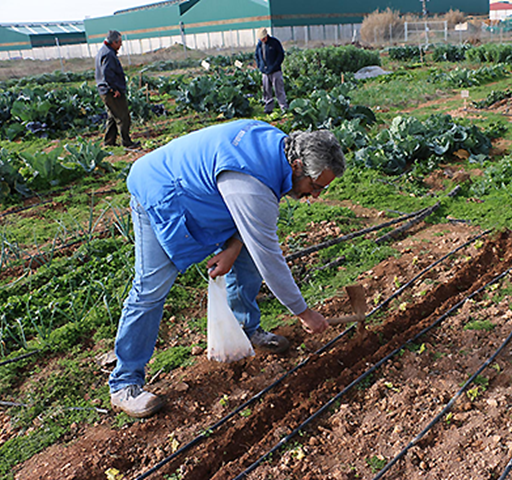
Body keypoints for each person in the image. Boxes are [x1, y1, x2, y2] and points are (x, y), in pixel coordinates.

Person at [109, 119, 345, 418]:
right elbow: (269, 257)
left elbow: (245, 211)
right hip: (160, 192)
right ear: (297, 165)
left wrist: (232, 247)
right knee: (150, 289)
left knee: (244, 257)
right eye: (315, 186)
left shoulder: (277, 145)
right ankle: (125, 383)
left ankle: (246, 328)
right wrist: (304, 313)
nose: (316, 195)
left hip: (208, 197)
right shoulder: (252, 181)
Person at [95, 30, 140, 149]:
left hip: (105, 91)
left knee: (112, 117)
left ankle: (109, 142)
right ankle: (127, 142)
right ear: (114, 42)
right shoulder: (108, 54)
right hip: (111, 92)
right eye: (119, 42)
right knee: (123, 117)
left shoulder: (104, 51)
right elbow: (107, 74)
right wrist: (113, 89)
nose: (121, 45)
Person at [254, 27, 288, 114]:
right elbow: (257, 56)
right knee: (266, 90)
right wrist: (260, 66)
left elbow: (280, 55)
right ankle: (269, 108)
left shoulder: (274, 42)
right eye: (261, 38)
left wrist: (275, 65)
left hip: (275, 71)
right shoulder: (259, 45)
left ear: (266, 36)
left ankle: (283, 107)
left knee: (279, 89)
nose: (262, 40)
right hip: (264, 72)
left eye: (263, 38)